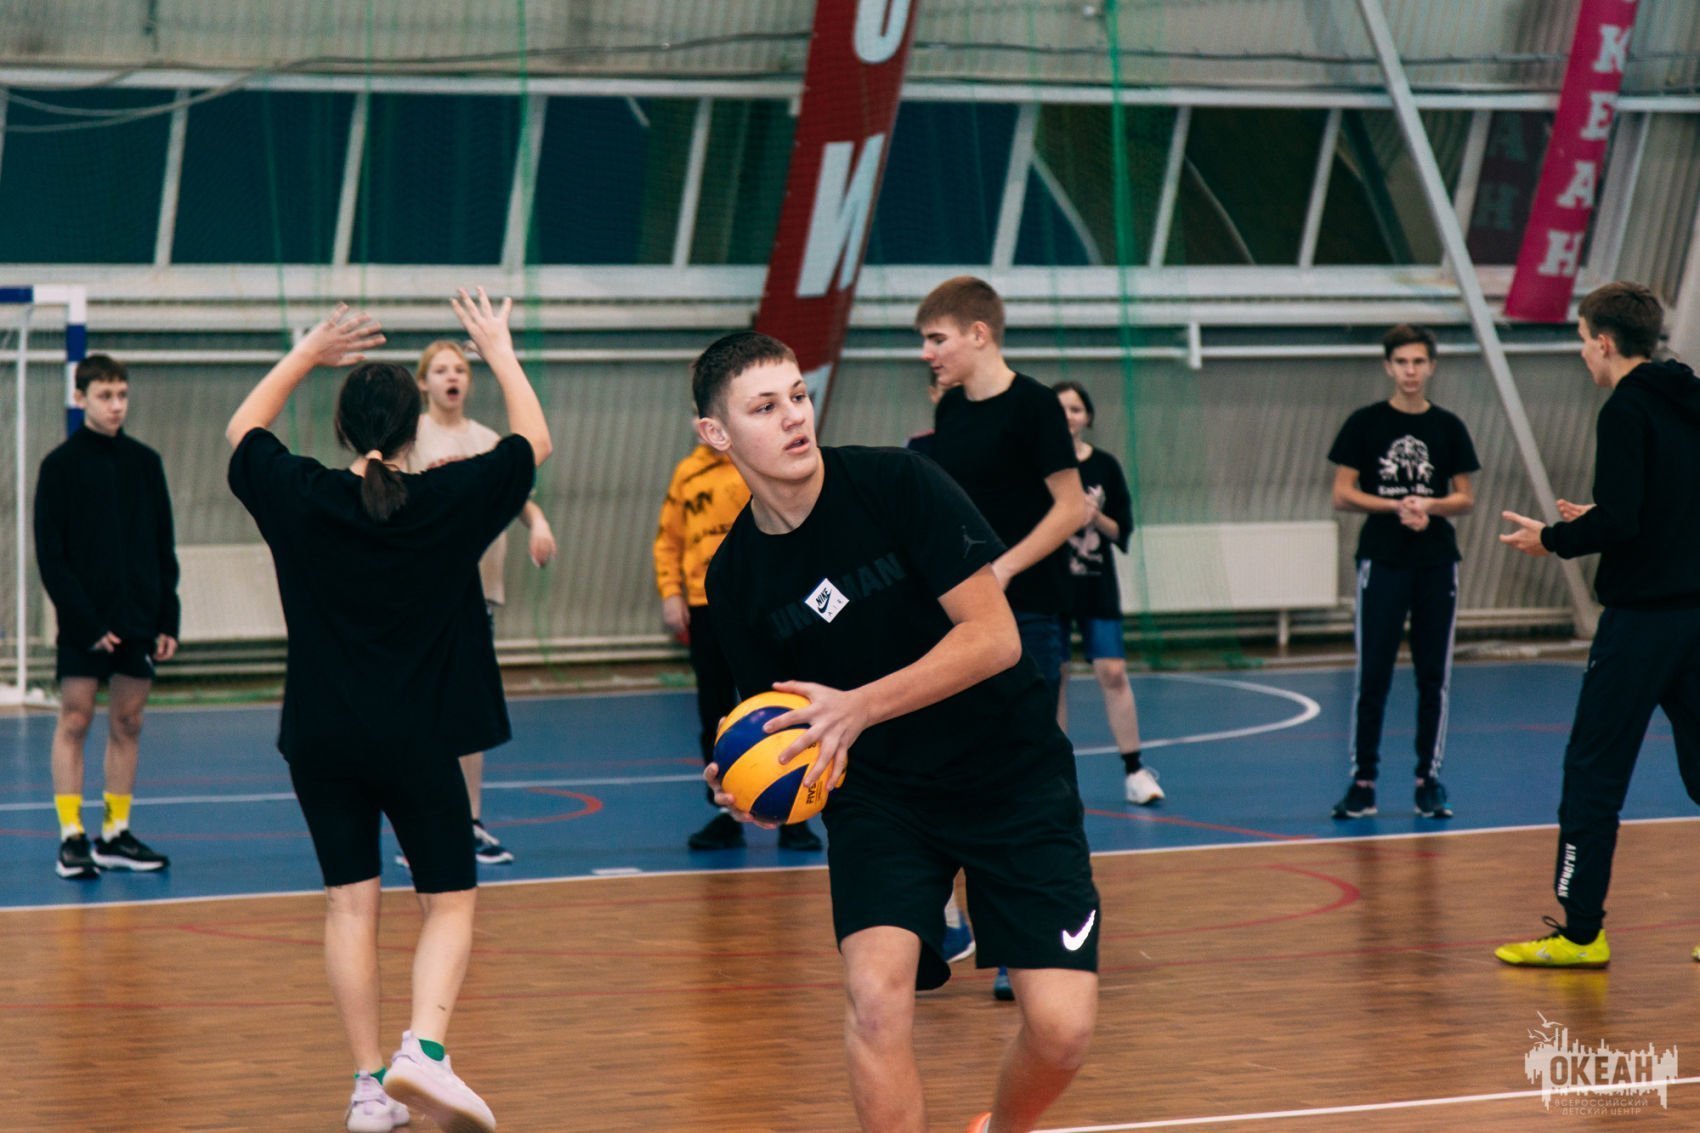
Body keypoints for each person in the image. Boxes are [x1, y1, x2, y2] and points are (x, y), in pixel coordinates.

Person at [695, 331, 1098, 1133]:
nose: (794, 416)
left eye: (798, 396)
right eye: (764, 407)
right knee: (875, 999)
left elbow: (996, 639)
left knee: (1062, 1031)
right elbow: (779, 720)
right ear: (716, 433)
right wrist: (751, 785)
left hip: (1010, 773)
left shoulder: (897, 483)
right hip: (881, 798)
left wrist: (859, 705)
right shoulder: (734, 576)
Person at [227, 290, 549, 1133]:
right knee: (449, 899)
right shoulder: (447, 498)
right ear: (416, 427)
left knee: (349, 902)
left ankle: (370, 1087)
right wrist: (497, 346)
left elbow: (242, 430)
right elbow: (533, 443)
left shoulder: (300, 493)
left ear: (342, 428)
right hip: (417, 733)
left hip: (320, 736)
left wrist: (307, 351)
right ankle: (425, 1050)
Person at [1496, 281, 1700, 969]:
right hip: (1697, 618)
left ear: (1605, 342)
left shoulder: (1624, 410)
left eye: (1583, 340)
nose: (1583, 352)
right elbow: (1663, 505)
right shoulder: (1690, 397)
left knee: (1593, 771)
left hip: (1640, 627)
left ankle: (1581, 933)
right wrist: (1607, 516)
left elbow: (1624, 522)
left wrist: (1552, 537)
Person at [919, 276, 1086, 1000]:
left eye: (937, 339)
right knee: (950, 764)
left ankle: (1027, 940)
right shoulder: (950, 409)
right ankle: (947, 920)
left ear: (978, 334)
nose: (928, 353)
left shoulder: (1036, 405)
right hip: (960, 621)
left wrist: (1006, 568)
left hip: (1030, 614)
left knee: (1024, 775)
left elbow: (1071, 507)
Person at [404, 338, 559, 867]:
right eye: (441, 369)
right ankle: (425, 822)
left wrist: (538, 522)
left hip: (477, 593)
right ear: (423, 382)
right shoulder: (410, 438)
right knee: (424, 709)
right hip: (424, 595)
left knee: (468, 707)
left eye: (460, 369)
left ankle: (468, 820)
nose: (452, 377)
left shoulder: (488, 439)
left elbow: (518, 496)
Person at [34, 353, 178, 880]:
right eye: (104, 396)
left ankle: (115, 834)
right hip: (84, 623)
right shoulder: (59, 466)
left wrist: (168, 618)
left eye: (122, 395)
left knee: (128, 722)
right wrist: (87, 624)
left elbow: (163, 545)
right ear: (80, 398)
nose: (116, 405)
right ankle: (71, 836)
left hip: (139, 617)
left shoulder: (146, 463)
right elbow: (51, 557)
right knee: (75, 719)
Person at [1326, 324, 1478, 821]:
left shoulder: (1448, 426)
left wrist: (1429, 506)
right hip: (1382, 562)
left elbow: (1464, 497)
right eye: (1402, 362)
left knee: (1434, 676)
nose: (1410, 371)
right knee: (1374, 675)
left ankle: (1427, 781)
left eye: (1418, 362)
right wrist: (1396, 506)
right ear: (1388, 366)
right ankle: (1363, 783)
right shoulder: (1365, 423)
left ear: (1431, 366)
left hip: (1436, 563)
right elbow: (1342, 493)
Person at [655, 440, 824, 853]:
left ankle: (793, 812)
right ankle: (727, 811)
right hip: (704, 604)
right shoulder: (687, 474)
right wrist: (671, 592)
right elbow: (669, 540)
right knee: (713, 710)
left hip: (760, 603)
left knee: (779, 702)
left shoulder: (757, 466)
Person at [1053, 381, 1162, 806]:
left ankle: (1134, 770)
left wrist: (1093, 516)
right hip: (1050, 587)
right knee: (1055, 677)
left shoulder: (1105, 466)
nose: (1068, 416)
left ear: (1088, 417)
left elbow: (1122, 530)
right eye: (1060, 408)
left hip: (1096, 585)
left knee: (1113, 672)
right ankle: (1057, 778)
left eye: (1076, 408)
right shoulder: (1039, 466)